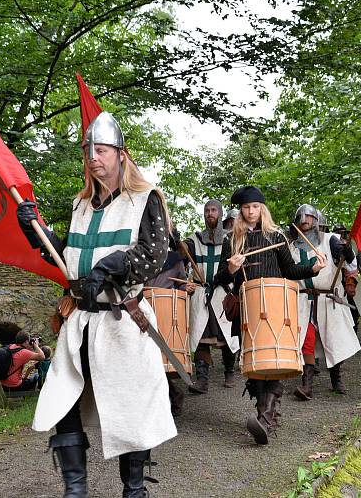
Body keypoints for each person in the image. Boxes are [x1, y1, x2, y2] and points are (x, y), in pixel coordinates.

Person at [17, 111, 175, 498]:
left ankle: (134, 490)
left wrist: (112, 267)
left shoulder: (144, 199)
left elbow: (154, 254)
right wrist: (35, 231)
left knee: (130, 410)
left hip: (123, 321)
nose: (93, 157)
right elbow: (69, 255)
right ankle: (75, 490)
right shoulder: (81, 205)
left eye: (101, 150)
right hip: (81, 321)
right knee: (64, 398)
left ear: (122, 154)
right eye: (89, 150)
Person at [214, 186, 325, 445]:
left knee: (273, 361)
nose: (251, 212)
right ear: (240, 211)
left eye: (255, 207)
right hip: (248, 308)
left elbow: (290, 270)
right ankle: (266, 417)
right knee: (254, 366)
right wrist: (230, 268)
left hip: (275, 307)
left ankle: (265, 420)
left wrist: (314, 268)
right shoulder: (232, 241)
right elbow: (218, 278)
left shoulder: (276, 236)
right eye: (246, 207)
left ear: (262, 208)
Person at [289, 204, 361, 401]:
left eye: (309, 217)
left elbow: (347, 262)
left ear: (316, 220)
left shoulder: (330, 240)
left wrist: (346, 252)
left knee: (333, 339)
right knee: (306, 340)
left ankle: (336, 379)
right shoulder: (292, 246)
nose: (305, 220)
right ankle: (307, 385)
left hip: (328, 299)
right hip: (303, 300)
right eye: (301, 217)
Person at [184, 199, 239, 393]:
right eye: (207, 210)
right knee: (200, 335)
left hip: (223, 292)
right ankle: (202, 379)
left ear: (220, 213)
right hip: (201, 293)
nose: (210, 213)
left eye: (214, 210)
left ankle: (229, 371)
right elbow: (181, 256)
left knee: (227, 334)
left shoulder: (230, 239)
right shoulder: (194, 239)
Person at [145, 230, 194, 416]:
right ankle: (169, 396)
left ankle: (173, 395)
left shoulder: (174, 259)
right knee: (146, 357)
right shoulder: (142, 255)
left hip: (165, 309)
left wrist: (186, 287)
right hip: (142, 306)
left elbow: (181, 283)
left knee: (160, 357)